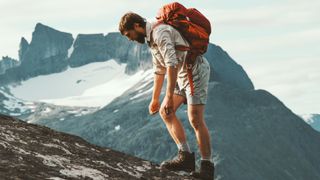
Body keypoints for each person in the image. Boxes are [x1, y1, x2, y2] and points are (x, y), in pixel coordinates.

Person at [119, 12, 214, 180]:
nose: (130, 39)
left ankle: (207, 168)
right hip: (182, 75)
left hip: (195, 72)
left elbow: (171, 64)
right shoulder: (151, 38)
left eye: (129, 34)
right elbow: (159, 69)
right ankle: (185, 157)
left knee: (195, 119)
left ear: (136, 26)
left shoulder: (160, 32)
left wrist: (168, 96)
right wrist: (155, 99)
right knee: (165, 112)